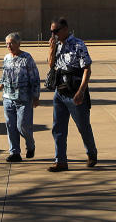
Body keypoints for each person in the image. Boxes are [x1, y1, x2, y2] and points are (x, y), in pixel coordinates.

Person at [47, 17, 97, 172]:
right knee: (58, 128)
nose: (53, 34)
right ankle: (60, 161)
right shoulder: (57, 45)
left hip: (74, 92)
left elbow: (87, 69)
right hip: (59, 92)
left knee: (83, 126)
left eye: (56, 31)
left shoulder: (78, 44)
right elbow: (51, 65)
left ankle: (91, 154)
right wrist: (51, 49)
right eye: (51, 31)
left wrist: (81, 91)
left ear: (65, 29)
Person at [0, 32, 41, 162]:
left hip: (24, 98)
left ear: (19, 43)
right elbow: (4, 77)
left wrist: (36, 96)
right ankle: (15, 153)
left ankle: (30, 146)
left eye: (12, 43)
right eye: (7, 43)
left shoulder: (26, 58)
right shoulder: (6, 58)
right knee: (10, 125)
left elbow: (35, 77)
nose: (9, 46)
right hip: (8, 98)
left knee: (22, 126)